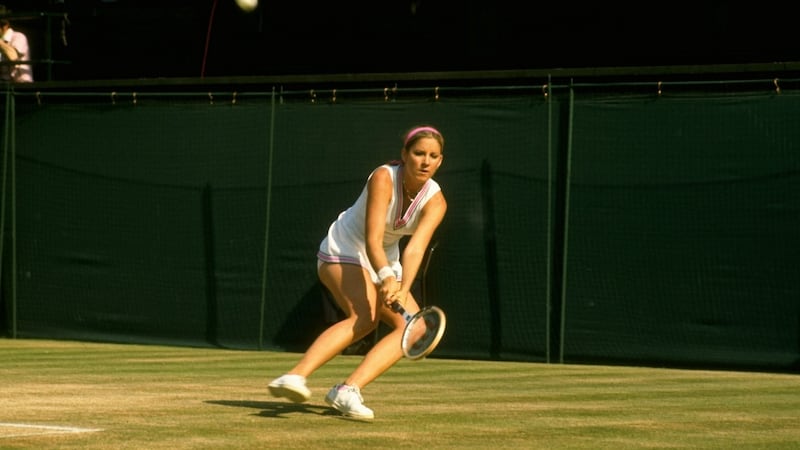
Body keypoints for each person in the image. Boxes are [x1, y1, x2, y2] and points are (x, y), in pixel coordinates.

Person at [268, 125, 447, 419]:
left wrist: (401, 287)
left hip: (387, 259)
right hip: (345, 248)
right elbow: (372, 238)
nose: (425, 161)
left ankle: (347, 390)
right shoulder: (383, 177)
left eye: (433, 156)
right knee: (364, 318)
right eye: (418, 153)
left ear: (440, 161)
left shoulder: (436, 202)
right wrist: (387, 279)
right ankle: (295, 377)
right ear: (404, 155)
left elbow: (414, 250)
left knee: (415, 329)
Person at [0, 17, 33, 83]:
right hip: (4, 84)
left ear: (5, 26)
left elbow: (13, 57)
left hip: (21, 84)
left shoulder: (19, 37)